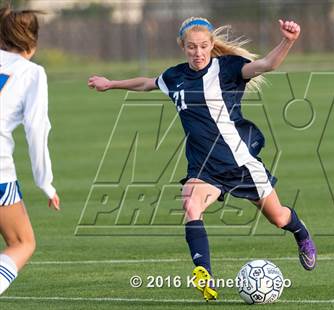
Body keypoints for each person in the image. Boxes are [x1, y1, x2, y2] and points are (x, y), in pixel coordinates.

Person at [88, 17, 316, 301]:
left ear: (211, 45)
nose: (198, 53)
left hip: (240, 163)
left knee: (279, 217)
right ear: (183, 47)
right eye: (192, 47)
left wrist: (288, 40)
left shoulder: (228, 68)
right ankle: (204, 274)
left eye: (204, 46)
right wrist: (110, 84)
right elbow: (147, 83)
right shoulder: (174, 76)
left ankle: (301, 232)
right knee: (190, 203)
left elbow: (267, 65)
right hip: (204, 168)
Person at [0, 5, 60, 296]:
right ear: (33, 42)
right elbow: (37, 129)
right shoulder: (32, 73)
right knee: (22, 243)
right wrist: (45, 183)